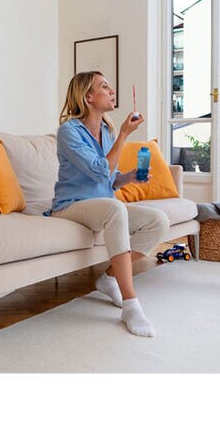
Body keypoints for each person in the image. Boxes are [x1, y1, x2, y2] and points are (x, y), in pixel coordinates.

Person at [45, 71, 170, 337]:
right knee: (115, 209)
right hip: (70, 206)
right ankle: (131, 304)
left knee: (158, 220)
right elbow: (99, 171)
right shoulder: (68, 131)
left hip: (101, 204)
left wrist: (129, 177)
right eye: (104, 86)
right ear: (88, 97)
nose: (111, 90)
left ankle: (110, 276)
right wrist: (124, 134)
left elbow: (110, 179)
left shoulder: (106, 130)